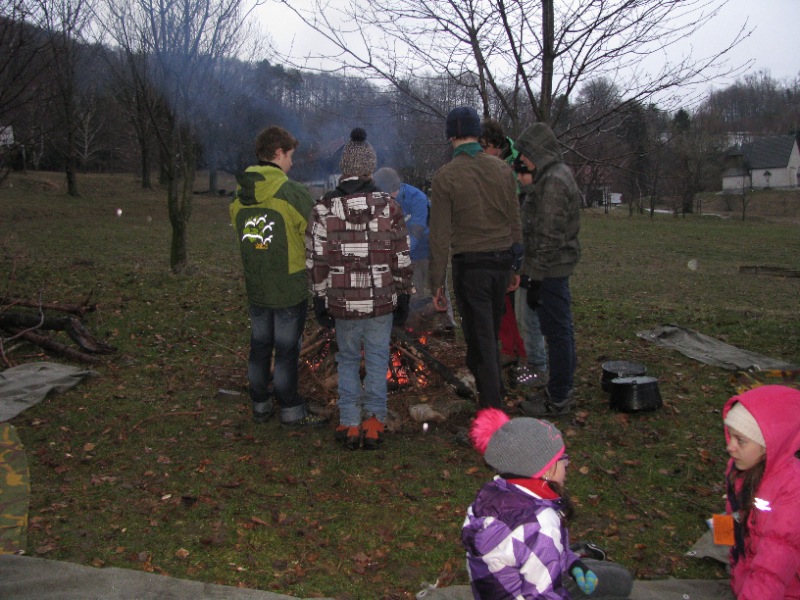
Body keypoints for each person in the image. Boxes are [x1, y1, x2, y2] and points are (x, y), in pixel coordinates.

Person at [306, 128, 413, 450]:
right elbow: (401, 256)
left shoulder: (323, 209)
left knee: (348, 359)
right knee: (378, 358)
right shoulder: (389, 207)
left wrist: (320, 298)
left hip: (343, 302)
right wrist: (404, 294)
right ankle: (374, 423)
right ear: (370, 168)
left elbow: (316, 259)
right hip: (380, 300)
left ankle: (349, 422)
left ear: (344, 168)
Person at [462, 408, 633, 599]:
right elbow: (543, 595)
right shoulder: (540, 523)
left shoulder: (493, 495)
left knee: (615, 577)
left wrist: (571, 563)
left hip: (499, 590)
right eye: (562, 459)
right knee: (621, 582)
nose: (567, 465)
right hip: (534, 590)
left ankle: (574, 556)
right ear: (545, 470)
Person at [230, 126, 328, 428]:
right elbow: (315, 233)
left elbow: (242, 232)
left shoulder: (241, 195)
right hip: (288, 287)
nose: (292, 162)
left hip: (257, 285)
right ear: (277, 153)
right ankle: (290, 410)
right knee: (286, 351)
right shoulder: (292, 193)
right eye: (290, 156)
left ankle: (260, 404)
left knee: (259, 345)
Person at [429, 106, 523, 410]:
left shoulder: (445, 176)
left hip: (471, 268)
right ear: (477, 134)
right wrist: (515, 265)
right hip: (501, 263)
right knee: (487, 334)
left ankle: (492, 413)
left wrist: (436, 284)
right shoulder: (503, 169)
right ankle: (494, 389)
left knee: (480, 339)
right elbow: (515, 221)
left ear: (450, 137)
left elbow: (440, 235)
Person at [515, 122, 581, 417]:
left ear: (538, 152)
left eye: (525, 153)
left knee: (557, 334)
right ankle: (560, 388)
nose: (522, 159)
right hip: (549, 268)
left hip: (551, 270)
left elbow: (547, 235)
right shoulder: (549, 176)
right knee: (560, 331)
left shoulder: (554, 180)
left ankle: (558, 398)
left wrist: (535, 277)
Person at [480, 119, 548, 388]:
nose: (481, 153)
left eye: (484, 147)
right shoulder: (485, 164)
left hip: (520, 239)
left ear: (496, 144)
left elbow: (524, 200)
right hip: (495, 239)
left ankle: (530, 355)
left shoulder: (520, 160)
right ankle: (509, 348)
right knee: (501, 300)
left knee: (521, 300)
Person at [721, 385, 800, 600]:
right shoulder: (739, 470)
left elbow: (772, 569)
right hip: (747, 578)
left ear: (768, 446)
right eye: (731, 436)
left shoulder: (792, 492)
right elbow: (733, 518)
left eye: (740, 440)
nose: (730, 447)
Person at [372, 166, 457, 331]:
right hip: (409, 256)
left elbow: (417, 231)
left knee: (438, 288)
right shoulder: (382, 202)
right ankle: (416, 327)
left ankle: (448, 324)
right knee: (413, 293)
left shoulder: (416, 198)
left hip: (429, 250)